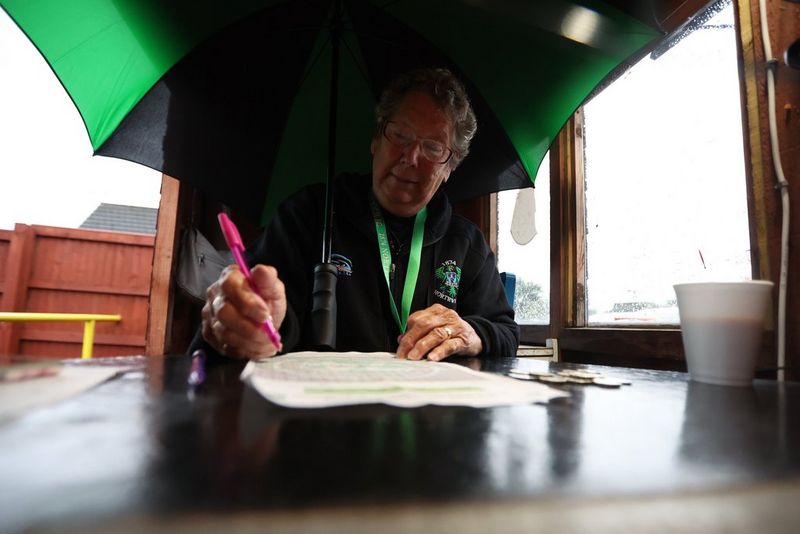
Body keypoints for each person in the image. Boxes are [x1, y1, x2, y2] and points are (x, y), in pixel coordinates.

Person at [193, 68, 519, 361]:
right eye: (400, 135)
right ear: (376, 139)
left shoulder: (465, 243)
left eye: (433, 147)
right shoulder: (307, 215)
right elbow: (267, 312)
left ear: (451, 167)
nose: (411, 157)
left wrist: (470, 334)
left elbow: (504, 330)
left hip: (426, 421)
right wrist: (252, 323)